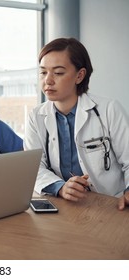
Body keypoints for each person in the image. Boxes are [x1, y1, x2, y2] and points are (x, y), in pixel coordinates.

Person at [24, 37, 129, 210]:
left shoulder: (109, 109)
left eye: (58, 73)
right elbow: (33, 167)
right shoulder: (36, 117)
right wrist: (60, 187)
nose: (47, 81)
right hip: (65, 205)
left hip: (110, 204)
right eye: (43, 72)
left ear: (79, 75)